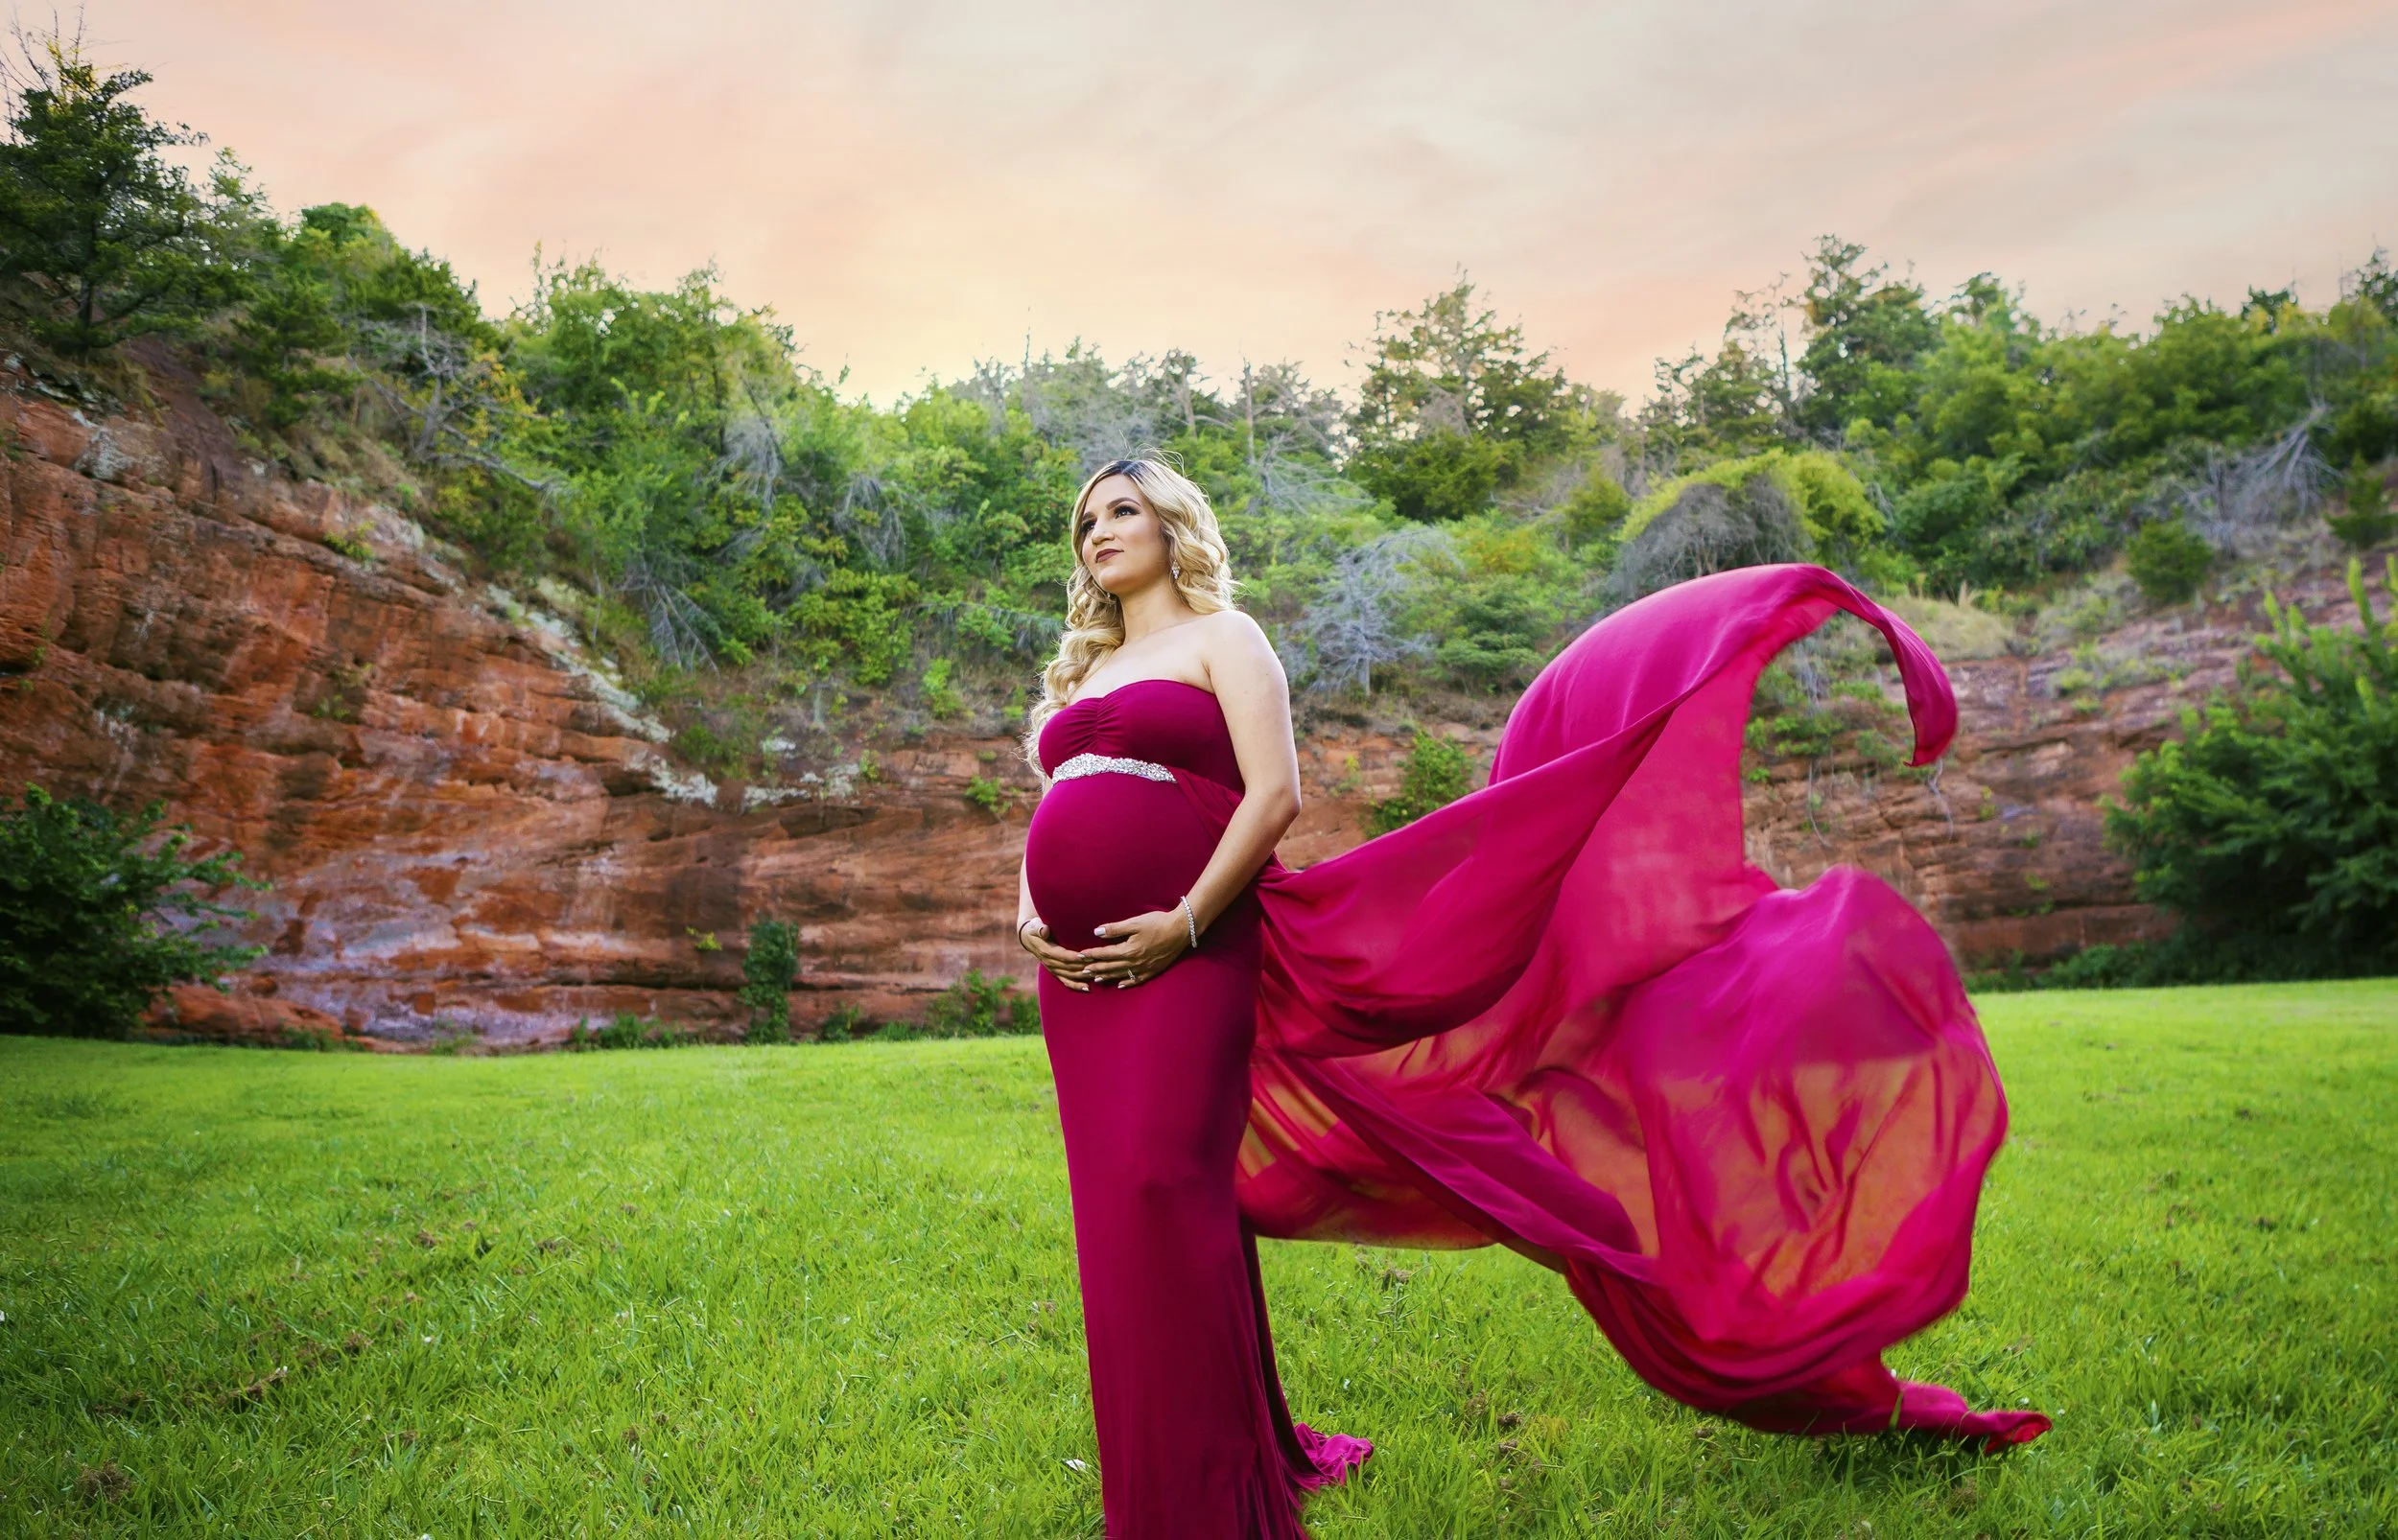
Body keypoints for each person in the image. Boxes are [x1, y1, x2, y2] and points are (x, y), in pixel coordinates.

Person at [1014, 457, 2048, 1539]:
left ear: (1174, 524)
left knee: (1162, 1183)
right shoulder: (1084, 671)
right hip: (1077, 978)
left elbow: (1273, 797)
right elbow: (1058, 808)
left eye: (1121, 509)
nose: (1099, 530)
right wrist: (1033, 908)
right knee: (1123, 1212)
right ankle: (1218, 1461)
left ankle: (1200, 1501)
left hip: (1192, 953)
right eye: (1085, 518)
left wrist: (1183, 920)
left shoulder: (1228, 639)